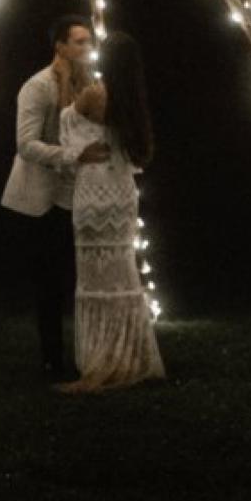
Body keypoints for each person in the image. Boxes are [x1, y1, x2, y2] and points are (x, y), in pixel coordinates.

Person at [54, 31, 166, 393]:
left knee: (94, 279)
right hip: (121, 192)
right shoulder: (131, 100)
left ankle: (101, 362)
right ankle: (132, 356)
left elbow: (65, 124)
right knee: (123, 274)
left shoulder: (94, 94)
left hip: (93, 190)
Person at [1, 15, 110, 380]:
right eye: (79, 41)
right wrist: (71, 156)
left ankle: (87, 355)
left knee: (81, 279)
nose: (86, 47)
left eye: (88, 41)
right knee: (50, 284)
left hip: (77, 194)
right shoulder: (38, 87)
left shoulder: (89, 86)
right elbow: (26, 144)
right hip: (39, 199)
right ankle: (52, 360)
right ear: (59, 46)